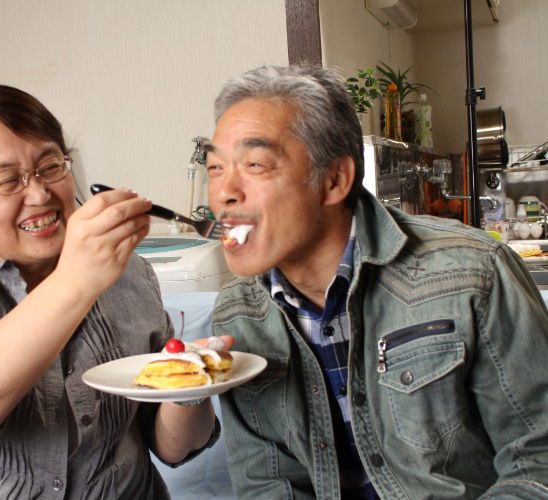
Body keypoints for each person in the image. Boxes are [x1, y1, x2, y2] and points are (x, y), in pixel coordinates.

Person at [206, 64, 548, 499]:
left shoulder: (473, 272)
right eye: (216, 168)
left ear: (334, 179)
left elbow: (538, 460)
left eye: (254, 164)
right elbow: (267, 483)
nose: (223, 192)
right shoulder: (238, 312)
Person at [0, 83, 224, 499]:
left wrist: (191, 384)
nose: (40, 194)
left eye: (50, 167)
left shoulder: (133, 276)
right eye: (7, 180)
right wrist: (78, 279)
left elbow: (171, 447)